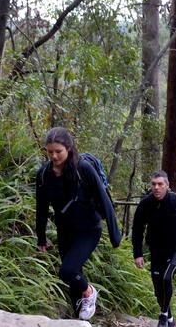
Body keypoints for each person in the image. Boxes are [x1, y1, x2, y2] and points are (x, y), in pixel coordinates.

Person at [36, 127, 122, 320]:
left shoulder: (82, 168)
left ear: (68, 148)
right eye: (50, 152)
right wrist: (41, 237)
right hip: (65, 230)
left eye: (58, 151)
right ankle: (78, 319)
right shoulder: (43, 174)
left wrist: (115, 235)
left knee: (67, 271)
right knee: (73, 279)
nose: (54, 156)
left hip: (88, 230)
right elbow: (41, 207)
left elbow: (104, 199)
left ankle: (90, 292)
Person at [132, 171, 176, 327]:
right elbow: (137, 229)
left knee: (166, 277)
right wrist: (138, 253)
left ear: (167, 186)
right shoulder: (146, 204)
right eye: (153, 184)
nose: (156, 187)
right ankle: (170, 320)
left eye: (160, 184)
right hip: (157, 251)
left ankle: (163, 316)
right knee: (158, 289)